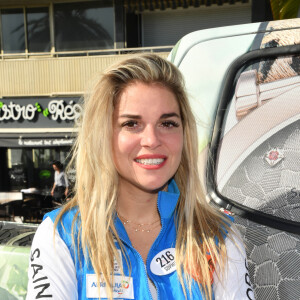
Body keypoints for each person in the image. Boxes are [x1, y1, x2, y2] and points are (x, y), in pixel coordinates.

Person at [26, 54, 254, 300]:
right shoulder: (61, 236)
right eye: (132, 124)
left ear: (184, 134)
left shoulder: (217, 237)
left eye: (167, 123)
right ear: (104, 135)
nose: (152, 140)